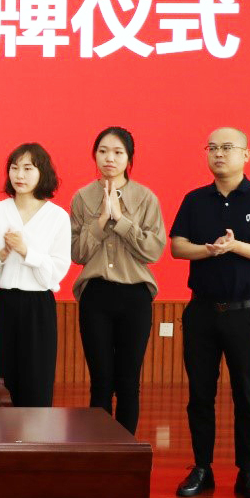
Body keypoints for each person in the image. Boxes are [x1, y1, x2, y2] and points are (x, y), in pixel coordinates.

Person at [170, 127, 250, 498]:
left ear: (246, 154)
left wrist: (235, 246)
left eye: (227, 147)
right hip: (201, 311)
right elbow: (177, 247)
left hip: (244, 313)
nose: (219, 154)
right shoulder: (194, 199)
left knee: (246, 395)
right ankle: (202, 468)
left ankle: (247, 473)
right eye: (213, 148)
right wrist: (208, 250)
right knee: (200, 394)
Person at [70, 127, 166, 434]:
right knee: (100, 381)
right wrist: (101, 220)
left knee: (128, 381)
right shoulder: (82, 198)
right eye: (102, 151)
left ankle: (126, 451)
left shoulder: (146, 198)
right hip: (96, 295)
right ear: (94, 155)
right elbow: (76, 253)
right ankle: (100, 451)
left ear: (129, 158)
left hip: (135, 296)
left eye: (117, 152)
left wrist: (121, 221)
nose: (109, 158)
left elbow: (153, 250)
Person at [0, 143, 70, 407]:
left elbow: (56, 273)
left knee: (36, 380)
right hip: (0, 302)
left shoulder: (58, 217)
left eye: (28, 168)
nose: (19, 175)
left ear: (43, 173)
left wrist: (27, 252)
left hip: (38, 306)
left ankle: (34, 433)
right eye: (14, 168)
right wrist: (3, 253)